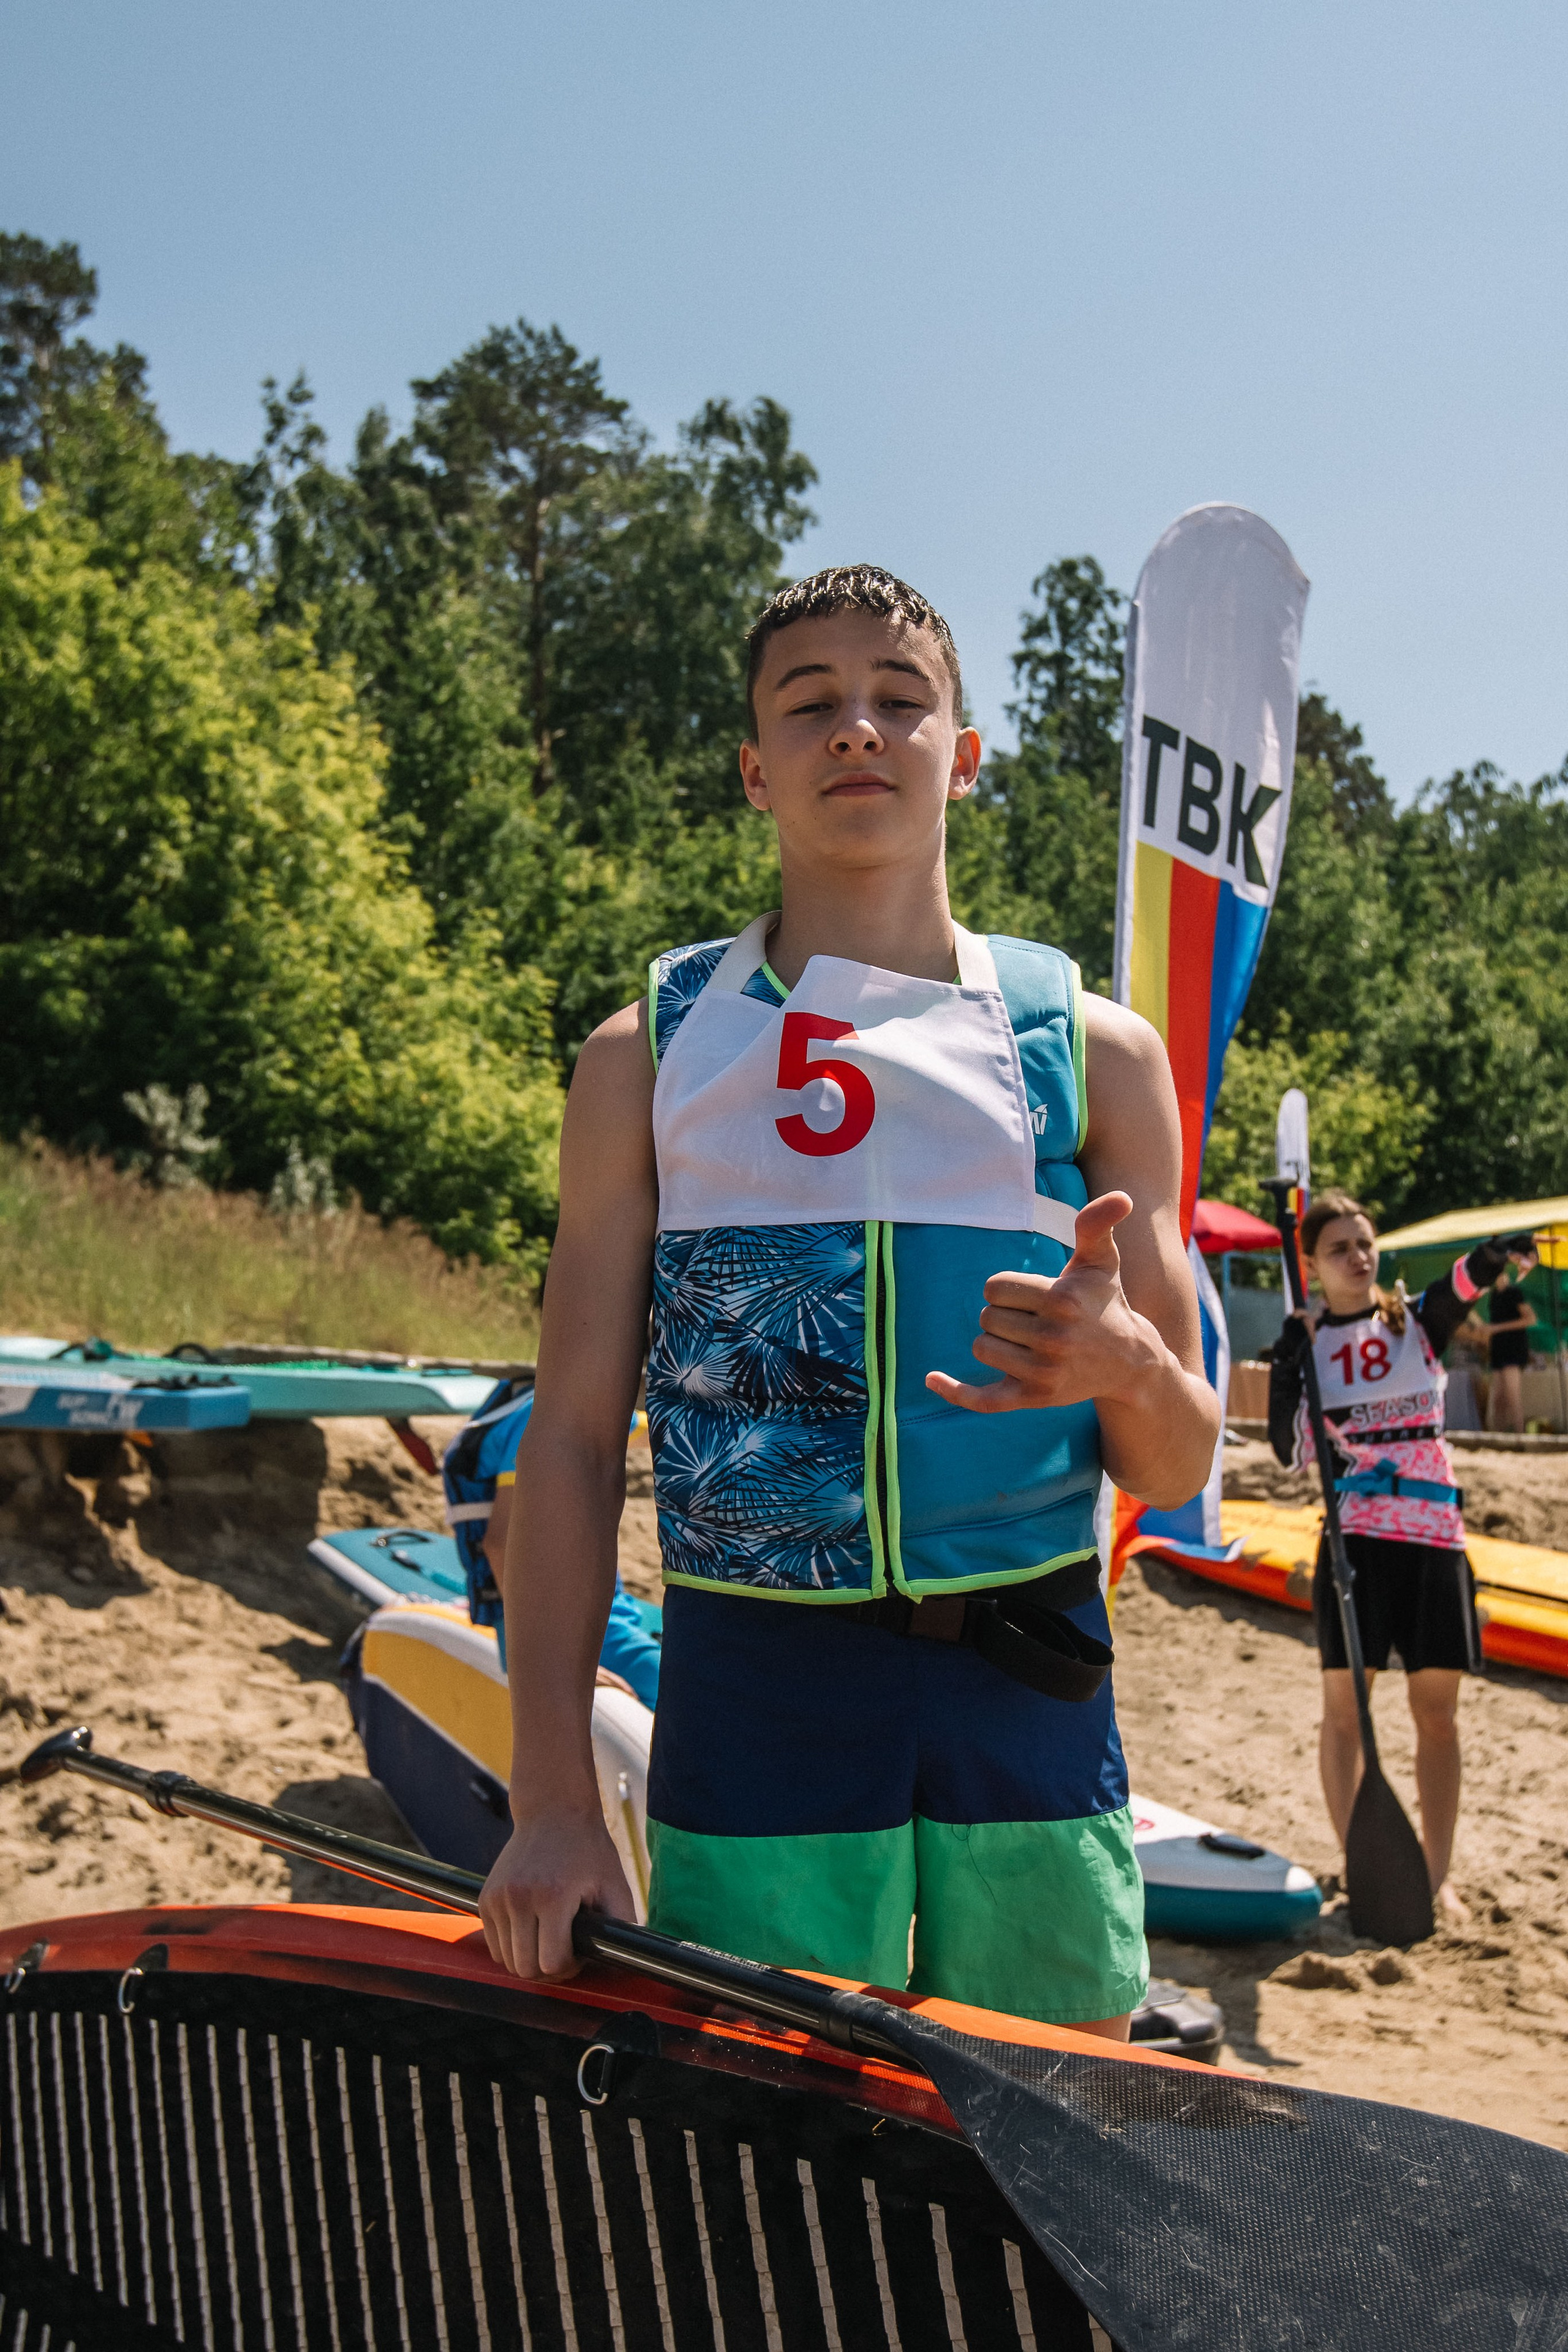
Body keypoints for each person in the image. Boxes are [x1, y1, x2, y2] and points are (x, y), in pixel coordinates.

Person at [479, 565, 1219, 2036]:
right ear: (755, 767)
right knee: (771, 2153)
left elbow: (1181, 1461)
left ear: (965, 750)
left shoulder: (1094, 1048)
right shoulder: (648, 1051)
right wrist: (553, 1797)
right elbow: (564, 1439)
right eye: (809, 703)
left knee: (1038, 2139)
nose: (857, 729)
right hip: (758, 1680)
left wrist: (1128, 1364)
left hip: (1027, 1679)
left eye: (899, 699)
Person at [1268, 1189, 1533, 1920]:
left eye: (1365, 1243)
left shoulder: (1413, 1321)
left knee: (1436, 1715)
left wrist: (1496, 1252)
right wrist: (1292, 1360)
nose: (1358, 1257)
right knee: (1345, 1713)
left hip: (1432, 1543)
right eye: (1339, 1249)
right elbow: (1291, 1452)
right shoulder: (1309, 1344)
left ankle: (1434, 1876)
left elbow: (1461, 1283)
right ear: (1311, 1264)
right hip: (1354, 1545)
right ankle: (1367, 1869)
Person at [442, 1378, 661, 1708]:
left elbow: (645, 1430)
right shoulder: (540, 1420)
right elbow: (500, 1543)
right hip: (562, 1626)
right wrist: (544, 1660)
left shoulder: (560, 1402)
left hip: (585, 1614)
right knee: (692, 1702)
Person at [1479, 1266, 1536, 1434]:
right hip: (1498, 1349)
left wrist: (1497, 1328)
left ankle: (1521, 1437)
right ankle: (1500, 1439)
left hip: (1513, 1349)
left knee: (1513, 1397)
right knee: (1497, 1400)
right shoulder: (1494, 1295)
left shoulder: (1514, 1292)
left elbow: (1530, 1319)